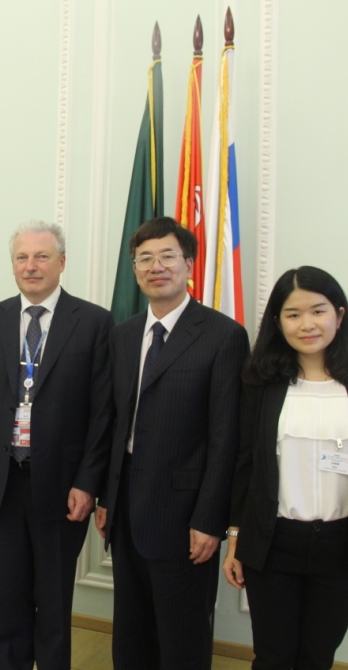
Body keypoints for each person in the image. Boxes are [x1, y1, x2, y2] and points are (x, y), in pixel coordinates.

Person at [0, 220, 112, 670]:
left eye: (42, 256)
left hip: (63, 486)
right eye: (21, 257)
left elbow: (103, 413)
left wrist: (89, 483)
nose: (31, 266)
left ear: (61, 262)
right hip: (1, 481)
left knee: (54, 597)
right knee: (8, 594)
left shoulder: (94, 322)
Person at [95, 217, 250, 670]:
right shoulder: (123, 335)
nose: (156, 266)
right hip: (126, 510)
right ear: (134, 270)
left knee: (182, 639)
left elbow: (226, 438)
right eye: (145, 259)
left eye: (167, 256)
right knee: (131, 633)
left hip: (186, 519)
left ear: (189, 264)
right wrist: (107, 497)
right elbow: (114, 423)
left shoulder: (223, 336)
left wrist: (210, 519)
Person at [222, 265, 348, 670]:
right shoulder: (260, 380)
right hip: (274, 542)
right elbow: (245, 463)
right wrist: (235, 537)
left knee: (317, 657)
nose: (307, 324)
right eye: (293, 314)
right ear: (278, 322)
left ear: (339, 315)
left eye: (318, 311)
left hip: (341, 546)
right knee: (273, 657)